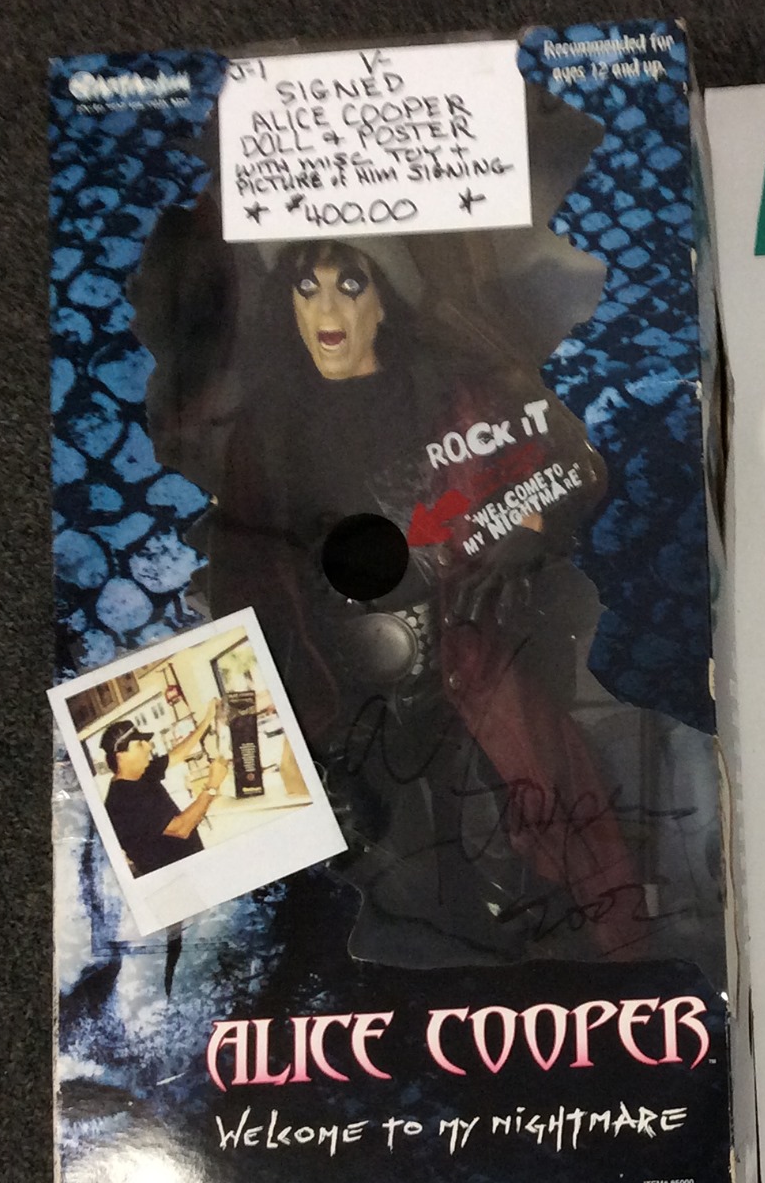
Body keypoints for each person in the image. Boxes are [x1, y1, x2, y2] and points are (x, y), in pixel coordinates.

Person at [184, 234, 645, 963]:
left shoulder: (452, 396)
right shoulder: (266, 430)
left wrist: (529, 527)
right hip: (325, 672)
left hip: (462, 646)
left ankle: (591, 951)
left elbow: (561, 464)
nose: (328, 309)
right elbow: (244, 569)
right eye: (308, 288)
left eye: (350, 285)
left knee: (533, 795)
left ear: (384, 303)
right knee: (350, 866)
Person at [99, 699, 228, 876]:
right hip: (176, 880)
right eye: (139, 744)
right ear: (120, 756)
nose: (148, 746)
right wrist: (212, 785)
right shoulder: (123, 801)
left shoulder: (140, 774)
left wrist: (207, 720)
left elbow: (177, 754)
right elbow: (181, 829)